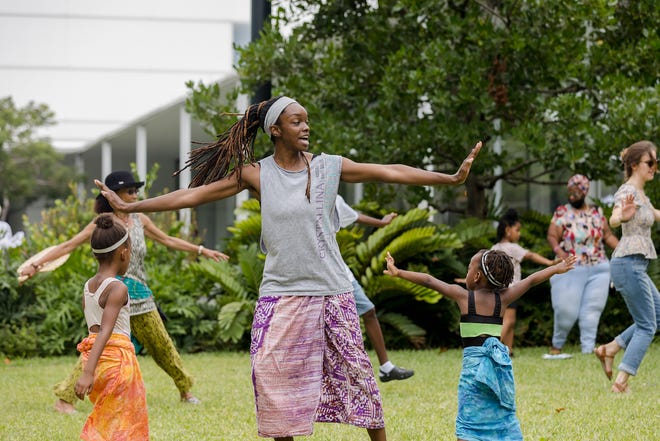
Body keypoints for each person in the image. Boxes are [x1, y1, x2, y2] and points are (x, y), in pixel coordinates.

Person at [95, 95, 482, 441]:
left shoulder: (330, 167)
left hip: (332, 290)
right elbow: (193, 195)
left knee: (358, 376)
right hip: (280, 292)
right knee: (270, 375)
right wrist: (132, 207)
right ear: (275, 130)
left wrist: (448, 178)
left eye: (307, 120)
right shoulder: (256, 173)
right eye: (297, 121)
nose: (306, 126)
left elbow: (389, 170)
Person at [19, 170, 228, 414]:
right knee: (98, 345)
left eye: (136, 190)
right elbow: (69, 245)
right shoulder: (104, 224)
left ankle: (185, 390)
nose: (135, 194)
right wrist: (35, 265)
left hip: (140, 297)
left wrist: (202, 250)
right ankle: (65, 399)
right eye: (129, 191)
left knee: (163, 347)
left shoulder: (140, 219)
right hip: (112, 295)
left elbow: (168, 240)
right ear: (113, 195)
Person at [383, 249, 576, 441]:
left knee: (469, 420)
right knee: (501, 413)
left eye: (468, 268)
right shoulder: (504, 298)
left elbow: (429, 281)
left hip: (473, 372)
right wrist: (556, 269)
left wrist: (399, 272)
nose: (466, 272)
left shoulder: (464, 296)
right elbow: (531, 280)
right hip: (498, 370)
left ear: (476, 276)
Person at [594, 140, 660, 393]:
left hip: (636, 265)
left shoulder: (643, 195)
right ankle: (621, 383)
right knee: (647, 325)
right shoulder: (627, 192)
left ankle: (610, 348)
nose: (654, 167)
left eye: (656, 162)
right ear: (634, 165)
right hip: (627, 263)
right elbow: (613, 217)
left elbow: (655, 214)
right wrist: (621, 216)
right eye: (649, 162)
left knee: (657, 315)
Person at [75, 213, 149, 440]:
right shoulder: (118, 289)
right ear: (123, 253)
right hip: (117, 363)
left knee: (108, 419)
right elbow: (106, 331)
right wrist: (86, 375)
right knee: (124, 422)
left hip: (95, 364)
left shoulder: (88, 287)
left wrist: (89, 370)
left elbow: (93, 330)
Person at [335, 195, 414, 382]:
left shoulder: (331, 194)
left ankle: (386, 368)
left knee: (368, 310)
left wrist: (381, 223)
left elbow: (353, 216)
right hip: (314, 276)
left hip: (339, 272)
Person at [545, 174, 619, 358]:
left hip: (599, 268)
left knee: (592, 311)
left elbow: (607, 236)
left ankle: (587, 350)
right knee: (565, 310)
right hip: (570, 267)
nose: (572, 194)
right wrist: (558, 251)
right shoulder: (562, 212)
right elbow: (552, 235)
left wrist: (622, 249)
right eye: (570, 191)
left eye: (577, 191)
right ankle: (557, 345)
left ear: (585, 192)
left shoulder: (596, 212)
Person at [491, 208, 559, 356]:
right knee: (508, 321)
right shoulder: (513, 248)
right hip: (511, 289)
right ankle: (492, 349)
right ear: (508, 230)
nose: (519, 233)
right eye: (517, 230)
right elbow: (531, 255)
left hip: (497, 289)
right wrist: (549, 262)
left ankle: (508, 350)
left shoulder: (495, 248)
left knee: (508, 320)